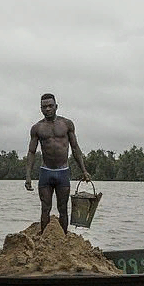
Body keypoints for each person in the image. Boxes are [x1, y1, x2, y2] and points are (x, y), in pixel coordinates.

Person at [24, 93, 91, 233]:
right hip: (46, 172)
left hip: (63, 172)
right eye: (44, 107)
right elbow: (31, 152)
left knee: (63, 209)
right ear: (41, 109)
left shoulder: (66, 124)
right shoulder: (37, 128)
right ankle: (44, 240)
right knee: (45, 208)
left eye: (50, 106)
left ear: (56, 107)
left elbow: (75, 148)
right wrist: (28, 176)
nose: (47, 109)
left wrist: (84, 170)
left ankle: (63, 240)